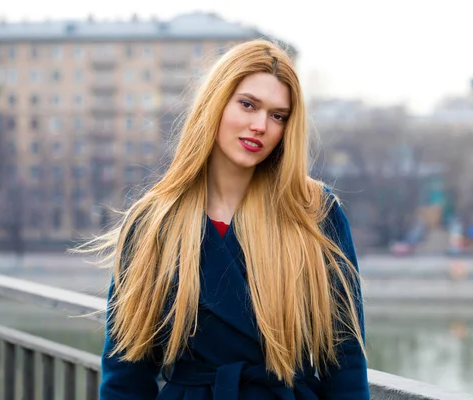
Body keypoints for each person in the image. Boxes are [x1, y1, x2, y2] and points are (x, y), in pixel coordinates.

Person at [82, 39, 369, 399]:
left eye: (278, 115)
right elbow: (127, 370)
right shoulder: (154, 221)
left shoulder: (314, 211)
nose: (261, 125)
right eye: (248, 105)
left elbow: (344, 358)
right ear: (216, 103)